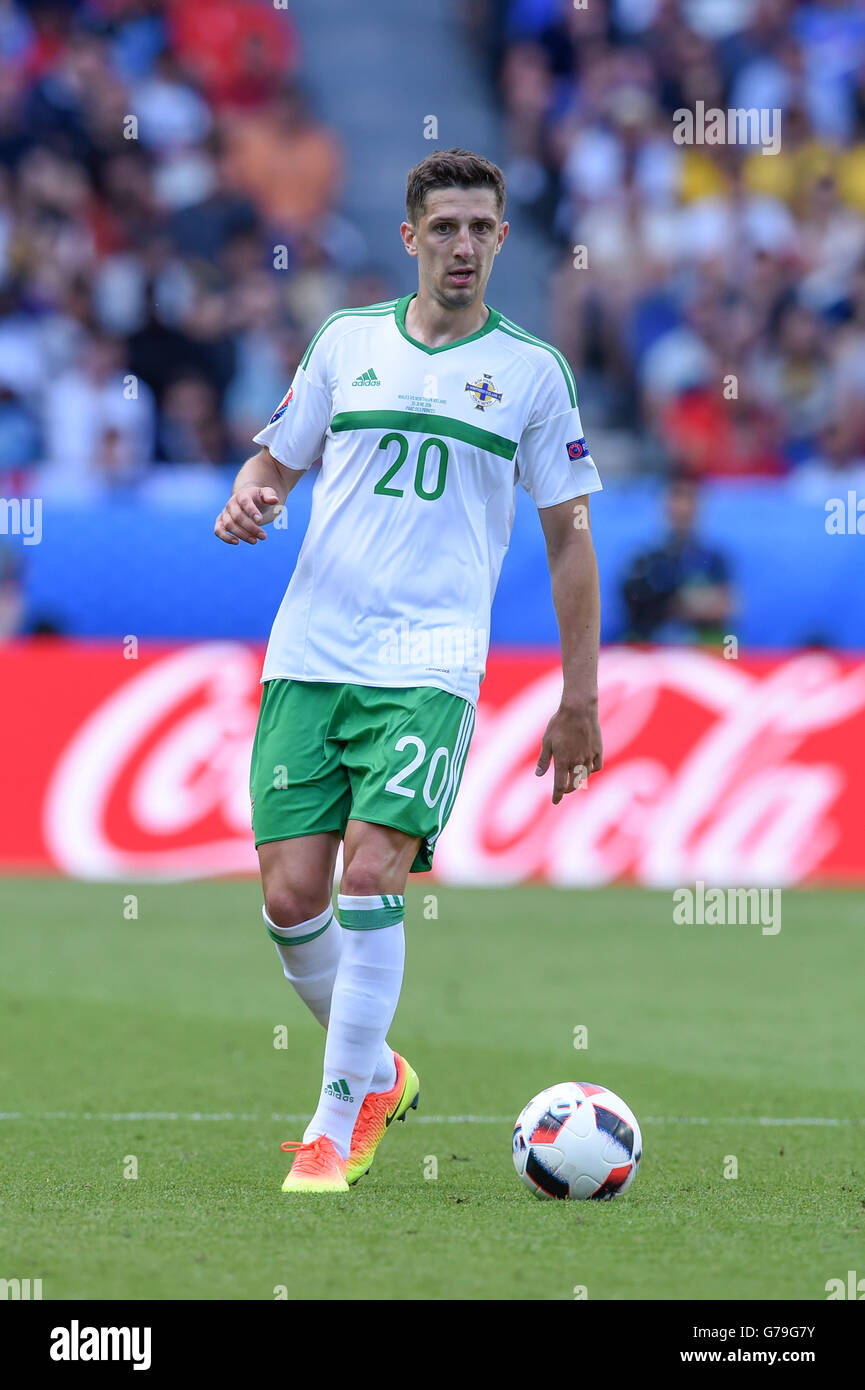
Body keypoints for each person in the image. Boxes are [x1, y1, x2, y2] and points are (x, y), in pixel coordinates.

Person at [213, 148, 603, 1194]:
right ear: (409, 239)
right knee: (293, 896)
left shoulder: (532, 373)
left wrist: (580, 697)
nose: (463, 246)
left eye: (481, 228)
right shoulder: (346, 344)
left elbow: (569, 539)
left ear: (503, 238)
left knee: (372, 872)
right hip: (311, 655)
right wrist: (250, 494)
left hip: (429, 665)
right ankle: (376, 1071)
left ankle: (333, 1126)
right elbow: (274, 460)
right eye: (444, 229)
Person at [621, 475, 733, 644]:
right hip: (655, 642)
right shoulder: (646, 558)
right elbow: (635, 605)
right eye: (676, 497)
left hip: (700, 645)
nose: (682, 507)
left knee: (727, 642)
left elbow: (724, 608)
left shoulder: (714, 559)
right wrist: (690, 602)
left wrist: (670, 603)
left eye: (689, 499)